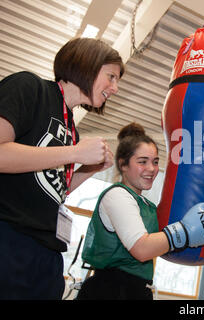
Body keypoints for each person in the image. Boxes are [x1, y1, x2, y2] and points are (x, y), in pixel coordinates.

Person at [0, 37, 124, 300]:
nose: (114, 88)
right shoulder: (30, 87)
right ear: (87, 64)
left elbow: (55, 188)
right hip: (10, 239)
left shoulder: (71, 128)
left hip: (46, 255)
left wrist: (89, 169)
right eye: (111, 77)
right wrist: (75, 152)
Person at [76, 122, 204, 300]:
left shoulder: (147, 206)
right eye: (142, 162)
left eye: (155, 162)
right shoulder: (117, 195)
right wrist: (187, 230)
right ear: (123, 164)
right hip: (110, 289)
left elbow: (165, 243)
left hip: (136, 290)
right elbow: (142, 248)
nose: (152, 169)